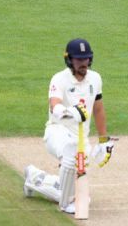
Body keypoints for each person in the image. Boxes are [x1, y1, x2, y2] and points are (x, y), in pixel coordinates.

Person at [23, 38, 115, 215]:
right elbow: (54, 104)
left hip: (81, 138)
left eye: (86, 59)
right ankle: (65, 204)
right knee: (71, 155)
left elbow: (98, 109)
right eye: (79, 59)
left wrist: (103, 140)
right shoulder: (59, 79)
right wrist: (68, 112)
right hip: (57, 132)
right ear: (69, 60)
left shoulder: (95, 79)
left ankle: (33, 177)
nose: (83, 63)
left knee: (80, 193)